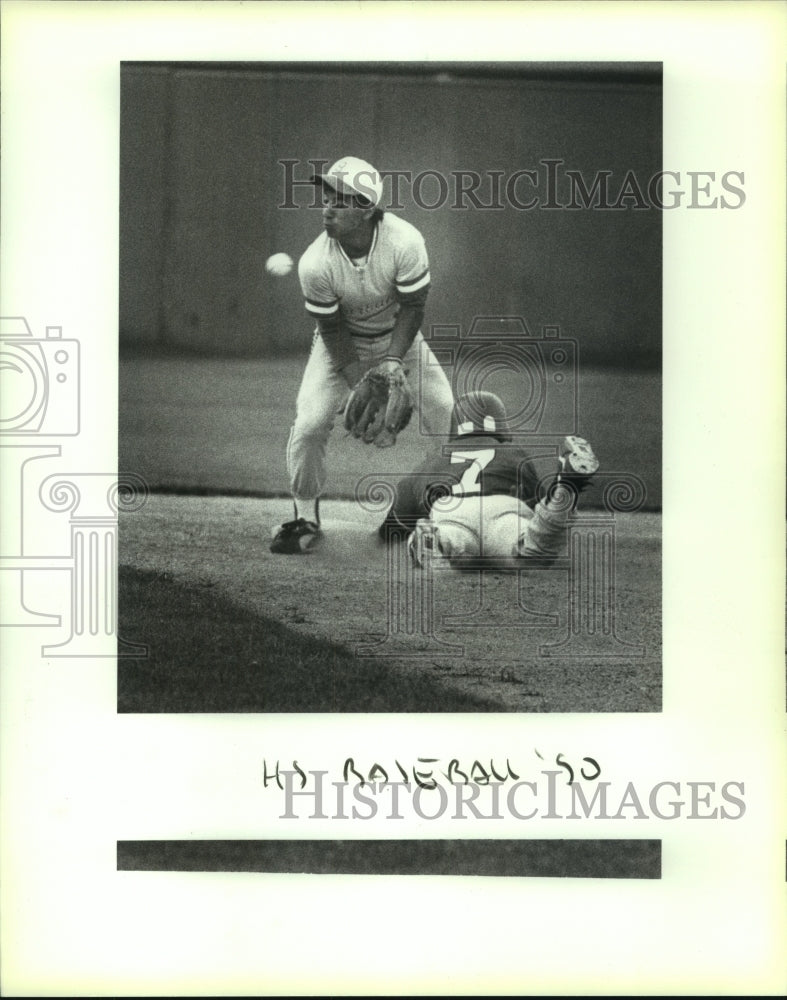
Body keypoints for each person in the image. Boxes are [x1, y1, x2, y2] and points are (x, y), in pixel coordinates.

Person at [270, 155, 455, 554]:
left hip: (400, 341)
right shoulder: (314, 263)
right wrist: (361, 385)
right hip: (339, 347)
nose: (328, 206)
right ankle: (305, 515)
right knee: (309, 424)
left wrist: (391, 362)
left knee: (446, 413)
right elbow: (332, 328)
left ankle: (446, 513)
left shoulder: (404, 242)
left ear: (368, 208)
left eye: (341, 198)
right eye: (327, 195)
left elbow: (413, 307)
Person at [376, 390, 599, 567]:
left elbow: (397, 516)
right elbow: (536, 503)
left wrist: (386, 534)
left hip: (452, 511)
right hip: (504, 511)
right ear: (501, 425)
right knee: (532, 552)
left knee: (451, 545)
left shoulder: (436, 457)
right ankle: (566, 486)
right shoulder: (514, 453)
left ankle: (438, 542)